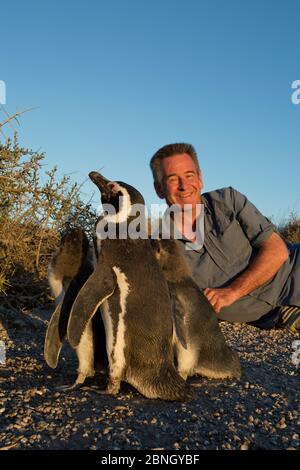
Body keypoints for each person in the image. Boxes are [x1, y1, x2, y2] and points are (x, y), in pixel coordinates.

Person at [150, 142, 300, 332]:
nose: (184, 185)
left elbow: (278, 251)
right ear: (159, 189)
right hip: (277, 314)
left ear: (200, 179)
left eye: (189, 176)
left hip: (294, 271)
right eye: (173, 179)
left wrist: (232, 292)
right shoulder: (160, 249)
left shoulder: (228, 200)